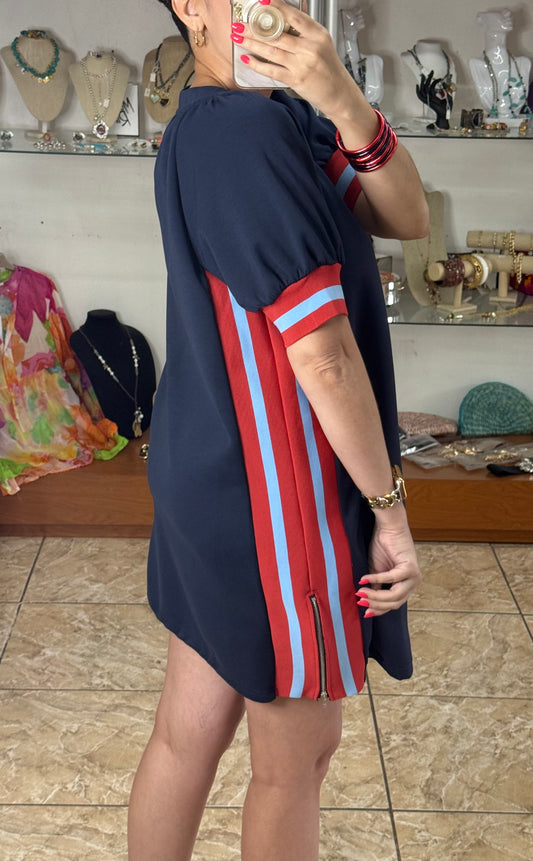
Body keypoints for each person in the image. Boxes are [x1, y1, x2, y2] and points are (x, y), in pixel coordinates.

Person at [128, 1, 428, 859]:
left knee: (190, 729)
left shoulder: (264, 118)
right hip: (276, 491)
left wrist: (339, 94)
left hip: (210, 466)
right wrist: (388, 509)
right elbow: (322, 355)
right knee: (297, 760)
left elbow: (408, 218)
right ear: (191, 7)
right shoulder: (245, 134)